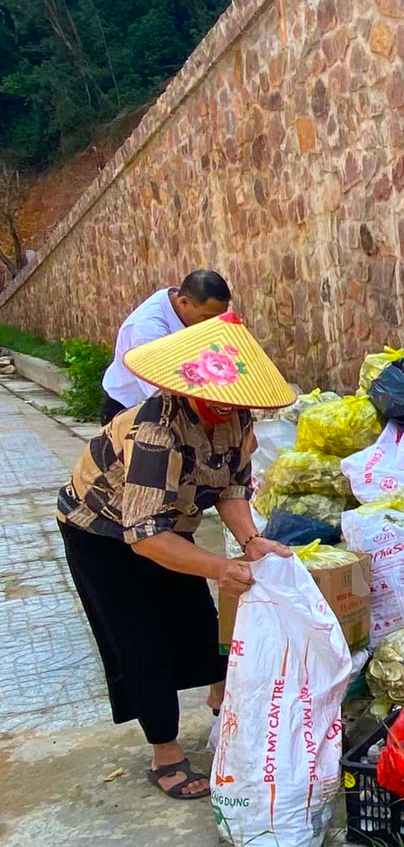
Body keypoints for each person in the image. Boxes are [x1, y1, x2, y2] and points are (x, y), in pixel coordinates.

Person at [58, 312, 296, 799]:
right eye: (217, 396)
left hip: (170, 523)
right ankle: (165, 752)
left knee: (194, 618)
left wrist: (252, 541)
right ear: (192, 387)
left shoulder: (237, 418)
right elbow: (145, 539)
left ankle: (218, 696)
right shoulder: (156, 431)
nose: (226, 407)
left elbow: (231, 486)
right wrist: (220, 567)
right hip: (100, 531)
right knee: (138, 635)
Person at [100, 270, 233, 424]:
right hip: (131, 411)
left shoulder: (180, 300)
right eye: (207, 317)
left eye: (219, 317)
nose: (214, 324)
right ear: (183, 302)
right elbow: (161, 393)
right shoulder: (148, 330)